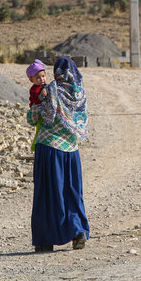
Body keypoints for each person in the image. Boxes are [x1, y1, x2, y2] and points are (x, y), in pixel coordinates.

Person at [27, 57, 90, 252]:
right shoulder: (79, 93)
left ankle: (46, 240)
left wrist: (33, 110)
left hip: (49, 149)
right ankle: (78, 232)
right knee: (72, 192)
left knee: (48, 193)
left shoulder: (51, 90)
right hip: (71, 152)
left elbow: (36, 117)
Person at [26, 59, 48, 152]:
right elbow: (36, 100)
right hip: (38, 114)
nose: (42, 79)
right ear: (31, 79)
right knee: (39, 131)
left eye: (43, 76)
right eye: (38, 78)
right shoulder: (34, 89)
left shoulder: (43, 86)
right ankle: (35, 147)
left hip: (44, 112)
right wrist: (42, 95)